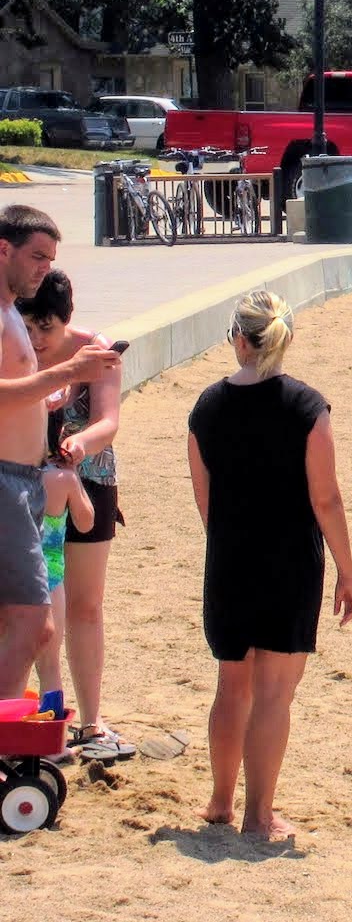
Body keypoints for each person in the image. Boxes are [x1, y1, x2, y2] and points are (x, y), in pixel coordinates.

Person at [187, 290, 352, 841]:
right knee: (274, 696)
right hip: (289, 562)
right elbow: (326, 499)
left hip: (231, 559)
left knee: (231, 685)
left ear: (238, 339)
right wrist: (348, 571)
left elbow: (205, 503)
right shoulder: (307, 407)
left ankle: (220, 801)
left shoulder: (206, 408)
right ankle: (259, 816)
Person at [0, 206, 117, 699]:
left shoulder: (9, 310)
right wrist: (67, 375)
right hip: (8, 481)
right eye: (37, 257)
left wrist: (46, 397)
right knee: (34, 623)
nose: (45, 268)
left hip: (24, 482)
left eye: (51, 260)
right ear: (3, 250)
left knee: (32, 623)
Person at [21, 269, 131, 761]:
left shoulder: (95, 348)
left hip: (87, 478)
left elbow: (108, 421)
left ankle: (91, 720)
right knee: (29, 608)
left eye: (47, 328)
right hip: (27, 484)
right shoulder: (14, 346)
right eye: (28, 326)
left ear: (68, 321)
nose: (37, 339)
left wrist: (77, 446)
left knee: (85, 605)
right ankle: (36, 714)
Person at [34, 461, 93, 715]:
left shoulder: (11, 472)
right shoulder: (62, 478)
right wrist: (75, 475)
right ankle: (51, 742)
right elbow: (86, 522)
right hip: (50, 579)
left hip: (13, 576)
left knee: (11, 663)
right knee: (49, 666)